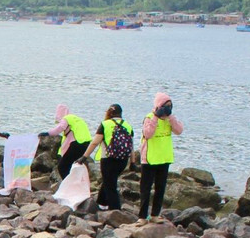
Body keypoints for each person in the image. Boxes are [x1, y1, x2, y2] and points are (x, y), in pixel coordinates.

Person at [76, 104, 134, 211]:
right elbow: (131, 146)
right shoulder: (127, 125)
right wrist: (133, 162)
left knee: (110, 185)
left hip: (108, 159)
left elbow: (94, 143)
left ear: (109, 113)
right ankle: (101, 202)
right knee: (109, 180)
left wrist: (84, 157)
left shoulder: (105, 124)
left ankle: (115, 210)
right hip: (123, 160)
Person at [138, 92, 183, 221]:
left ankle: (155, 214)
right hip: (150, 159)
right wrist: (156, 118)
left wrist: (171, 117)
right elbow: (148, 134)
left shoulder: (170, 120)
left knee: (160, 188)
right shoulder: (149, 117)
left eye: (170, 106)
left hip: (164, 158)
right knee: (145, 189)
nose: (167, 108)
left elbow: (179, 131)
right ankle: (142, 216)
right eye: (165, 106)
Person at [46, 104, 92, 178]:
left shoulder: (67, 118)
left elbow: (59, 128)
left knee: (62, 167)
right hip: (86, 144)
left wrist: (48, 133)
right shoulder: (76, 119)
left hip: (76, 144)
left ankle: (68, 185)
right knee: (71, 165)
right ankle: (75, 183)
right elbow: (69, 138)